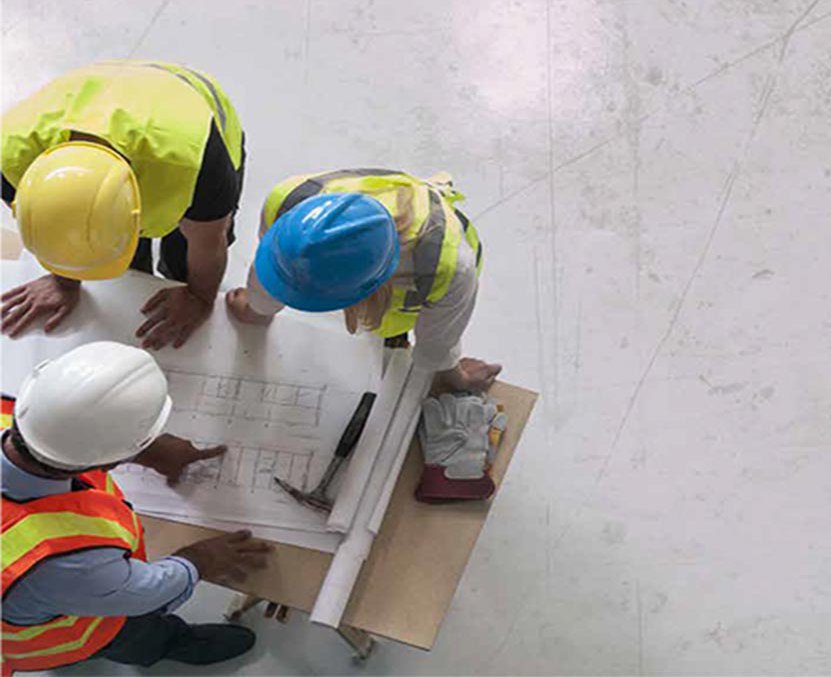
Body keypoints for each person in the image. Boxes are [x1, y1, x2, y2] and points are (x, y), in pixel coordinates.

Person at [0, 341, 273, 672]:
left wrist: (146, 450)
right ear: (112, 460)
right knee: (136, 636)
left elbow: (59, 436)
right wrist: (199, 560)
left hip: (35, 596)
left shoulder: (23, 418)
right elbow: (144, 592)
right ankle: (170, 643)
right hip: (70, 632)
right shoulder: (63, 563)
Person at [0, 61, 246, 349]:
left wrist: (198, 297)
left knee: (183, 254)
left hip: (190, 116)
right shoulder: (11, 161)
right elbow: (58, 228)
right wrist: (63, 280)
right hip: (105, 93)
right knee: (122, 262)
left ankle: (176, 277)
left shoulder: (195, 166)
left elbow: (208, 242)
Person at [224, 169, 500, 392]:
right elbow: (276, 263)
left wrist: (456, 379)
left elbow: (437, 342)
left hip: (410, 295)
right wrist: (256, 309)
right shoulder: (289, 201)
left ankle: (393, 338)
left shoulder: (449, 269)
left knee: (390, 334)